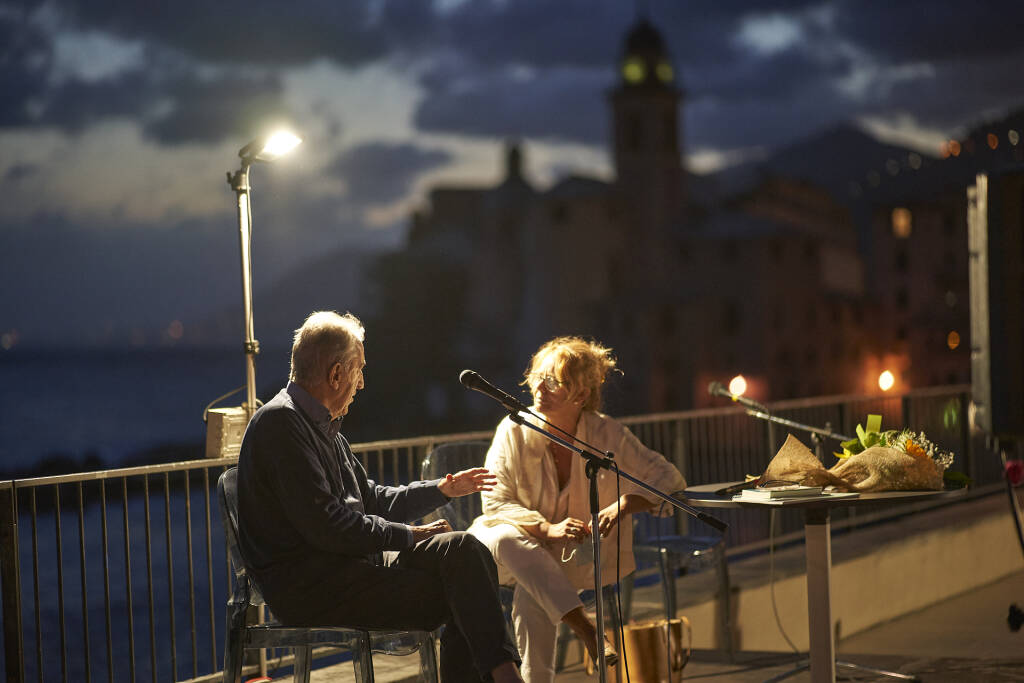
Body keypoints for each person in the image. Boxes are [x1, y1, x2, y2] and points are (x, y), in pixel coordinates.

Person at [236, 311, 522, 683]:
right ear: (336, 374)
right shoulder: (280, 425)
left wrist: (440, 489)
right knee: (464, 594)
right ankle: (508, 678)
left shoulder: (325, 429)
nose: (362, 384)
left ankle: (506, 677)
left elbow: (369, 498)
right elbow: (328, 525)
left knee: (465, 550)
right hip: (314, 586)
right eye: (359, 371)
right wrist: (407, 534)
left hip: (353, 568)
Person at [468, 336, 686, 683]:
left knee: (531, 599)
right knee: (507, 538)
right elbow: (494, 502)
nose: (538, 385)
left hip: (561, 560)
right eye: (537, 375)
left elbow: (669, 479)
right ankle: (587, 628)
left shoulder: (605, 434)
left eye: (553, 380)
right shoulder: (514, 429)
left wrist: (624, 504)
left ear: (580, 395)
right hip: (503, 546)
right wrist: (547, 529)